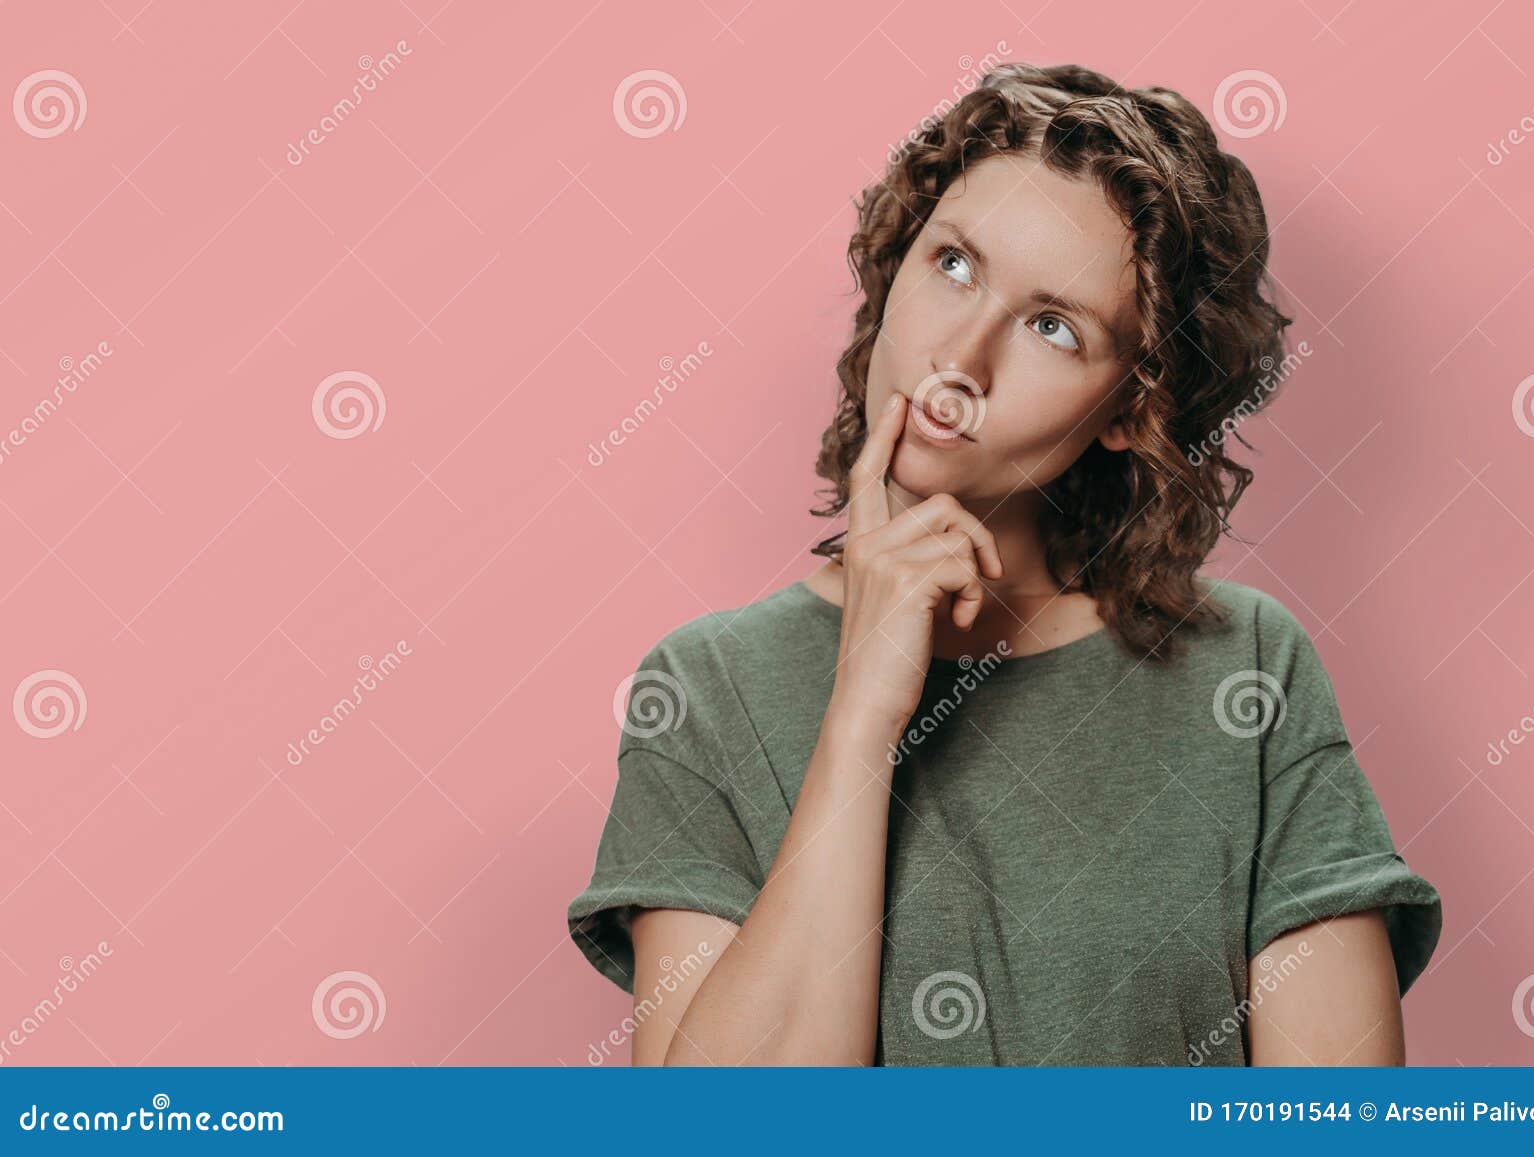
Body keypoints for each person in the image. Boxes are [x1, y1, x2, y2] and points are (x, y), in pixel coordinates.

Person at [567, 62, 1441, 1066]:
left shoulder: (1246, 670)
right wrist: (859, 717)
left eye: (1052, 326)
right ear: (896, 263)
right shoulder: (706, 689)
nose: (962, 358)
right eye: (952, 264)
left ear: (1130, 410)